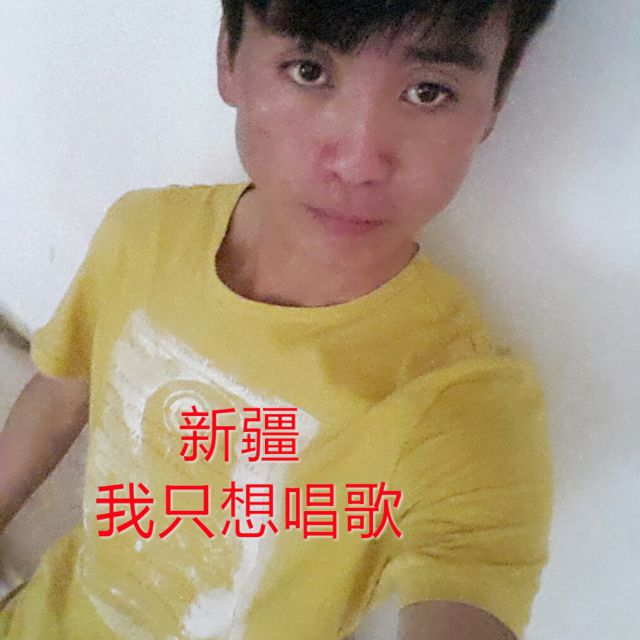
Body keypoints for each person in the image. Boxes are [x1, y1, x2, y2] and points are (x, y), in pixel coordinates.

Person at [0, 1, 558, 638]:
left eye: (429, 91)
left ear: (495, 102)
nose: (357, 162)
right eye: (309, 71)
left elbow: (467, 577)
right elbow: (62, 388)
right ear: (229, 58)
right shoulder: (144, 233)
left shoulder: (460, 397)